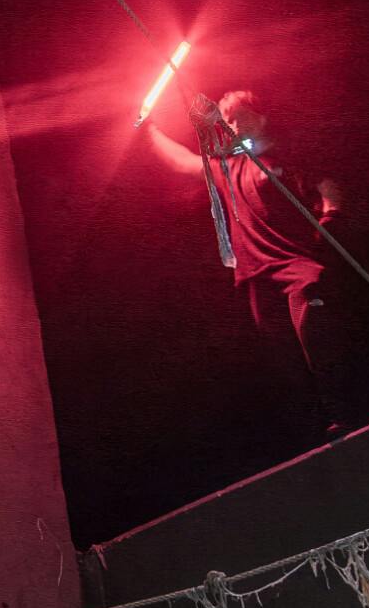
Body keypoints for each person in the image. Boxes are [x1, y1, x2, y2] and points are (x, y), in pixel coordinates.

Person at [148, 87, 353, 435]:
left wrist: (332, 215)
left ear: (261, 118)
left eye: (239, 116)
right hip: (257, 276)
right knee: (284, 356)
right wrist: (150, 130)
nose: (232, 125)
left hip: (295, 265)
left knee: (312, 326)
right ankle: (318, 425)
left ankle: (347, 405)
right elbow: (183, 161)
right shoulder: (226, 169)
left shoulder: (285, 158)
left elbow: (327, 185)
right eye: (227, 120)